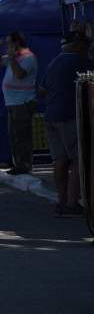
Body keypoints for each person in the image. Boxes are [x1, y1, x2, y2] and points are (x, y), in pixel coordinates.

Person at [39, 31, 94, 217]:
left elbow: (42, 91)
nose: (86, 49)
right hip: (70, 116)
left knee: (60, 159)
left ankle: (61, 203)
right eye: (85, 45)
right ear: (77, 44)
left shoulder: (54, 62)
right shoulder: (81, 62)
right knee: (79, 159)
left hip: (51, 116)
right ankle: (72, 204)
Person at [0, 31, 38, 175]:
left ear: (17, 43)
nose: (7, 46)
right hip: (11, 102)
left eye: (9, 43)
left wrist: (12, 58)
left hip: (22, 101)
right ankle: (18, 163)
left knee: (21, 135)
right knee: (13, 134)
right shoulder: (15, 57)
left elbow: (19, 74)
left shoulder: (28, 58)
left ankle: (25, 164)